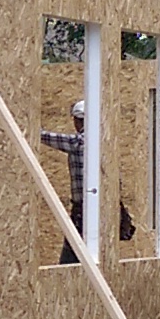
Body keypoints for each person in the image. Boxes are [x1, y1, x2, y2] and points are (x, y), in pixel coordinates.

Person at [38, 100, 133, 263]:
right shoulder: (105, 142)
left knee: (70, 259)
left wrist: (33, 128)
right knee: (96, 256)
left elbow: (50, 137)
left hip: (85, 211)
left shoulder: (81, 142)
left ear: (78, 120)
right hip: (105, 210)